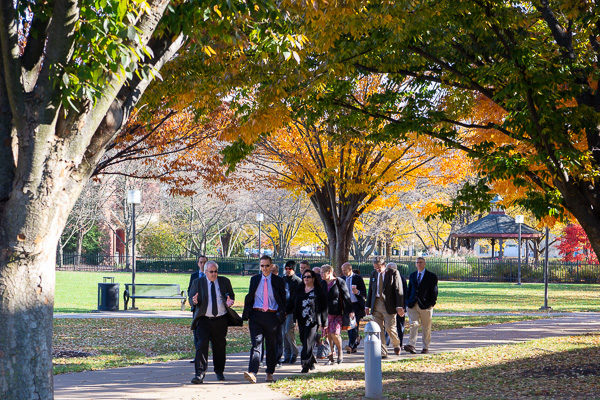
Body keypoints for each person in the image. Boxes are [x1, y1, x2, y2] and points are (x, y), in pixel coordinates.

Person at [188, 261, 235, 384]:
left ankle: (219, 371)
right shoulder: (198, 283)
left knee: (219, 347)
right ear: (205, 272)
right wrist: (194, 301)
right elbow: (191, 299)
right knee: (201, 345)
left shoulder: (225, 281)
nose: (214, 274)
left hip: (220, 319)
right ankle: (199, 374)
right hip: (204, 319)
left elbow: (230, 295)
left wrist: (230, 301)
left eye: (216, 271)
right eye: (211, 272)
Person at [242, 255, 286, 383]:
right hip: (256, 315)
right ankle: (252, 372)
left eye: (267, 266)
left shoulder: (278, 281)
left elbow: (283, 300)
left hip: (272, 316)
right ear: (259, 266)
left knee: (271, 346)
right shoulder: (255, 279)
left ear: (271, 266)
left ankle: (269, 373)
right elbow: (250, 297)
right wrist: (248, 314)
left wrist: (281, 314)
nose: (265, 268)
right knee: (256, 343)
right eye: (262, 266)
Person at [365, 256, 405, 358]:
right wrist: (367, 305)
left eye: (379, 267)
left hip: (389, 305)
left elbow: (398, 290)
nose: (377, 270)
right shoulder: (374, 274)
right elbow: (371, 290)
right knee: (378, 329)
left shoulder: (393, 273)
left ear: (384, 265)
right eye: (375, 268)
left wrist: (399, 306)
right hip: (376, 304)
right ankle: (383, 352)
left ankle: (396, 344)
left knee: (389, 327)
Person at [293, 269, 327, 373]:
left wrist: (324, 322)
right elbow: (295, 306)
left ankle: (305, 364)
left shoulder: (318, 291)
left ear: (313, 279)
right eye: (304, 277)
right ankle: (311, 360)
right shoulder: (300, 290)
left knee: (307, 342)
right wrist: (294, 320)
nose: (306, 279)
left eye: (308, 277)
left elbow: (324, 307)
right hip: (301, 320)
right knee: (304, 341)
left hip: (313, 320)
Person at [404, 257, 438, 354]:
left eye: (421, 262)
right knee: (413, 324)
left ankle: (425, 347)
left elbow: (434, 291)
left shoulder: (431, 276)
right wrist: (407, 301)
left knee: (426, 327)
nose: (419, 264)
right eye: (417, 262)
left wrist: (431, 303)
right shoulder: (412, 275)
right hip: (412, 305)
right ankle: (411, 345)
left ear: (424, 264)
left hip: (425, 305)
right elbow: (409, 289)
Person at [320, 264, 353, 365]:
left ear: (329, 272)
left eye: (322, 272)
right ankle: (331, 354)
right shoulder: (322, 283)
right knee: (328, 334)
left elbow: (346, 296)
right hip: (326, 313)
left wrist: (350, 310)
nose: (321, 274)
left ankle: (340, 351)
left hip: (337, 313)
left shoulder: (339, 282)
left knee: (335, 333)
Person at [341, 262, 366, 353]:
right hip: (347, 305)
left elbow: (364, 292)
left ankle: (350, 345)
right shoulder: (342, 279)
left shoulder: (357, 278)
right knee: (348, 325)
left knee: (354, 325)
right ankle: (355, 343)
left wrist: (357, 292)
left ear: (350, 269)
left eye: (345, 270)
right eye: (342, 270)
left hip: (356, 304)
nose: (343, 272)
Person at [188, 254, 207, 364]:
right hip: (197, 308)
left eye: (204, 262)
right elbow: (190, 290)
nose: (203, 264)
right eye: (201, 262)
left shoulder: (211, 274)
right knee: (196, 333)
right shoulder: (194, 276)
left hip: (209, 308)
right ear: (198, 263)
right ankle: (198, 356)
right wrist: (193, 301)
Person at [283, 260, 302, 364]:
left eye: (289, 269)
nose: (287, 271)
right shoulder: (283, 280)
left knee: (288, 331)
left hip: (292, 311)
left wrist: (291, 311)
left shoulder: (298, 281)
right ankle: (287, 354)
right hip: (282, 310)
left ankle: (294, 352)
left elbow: (296, 299)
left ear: (293, 269)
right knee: (283, 334)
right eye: (286, 269)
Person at [386, 262, 408, 350]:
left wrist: (403, 306)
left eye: (388, 269)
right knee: (387, 325)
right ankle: (386, 343)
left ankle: (400, 343)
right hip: (389, 306)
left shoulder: (401, 278)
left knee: (399, 325)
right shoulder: (385, 278)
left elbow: (404, 293)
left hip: (399, 306)